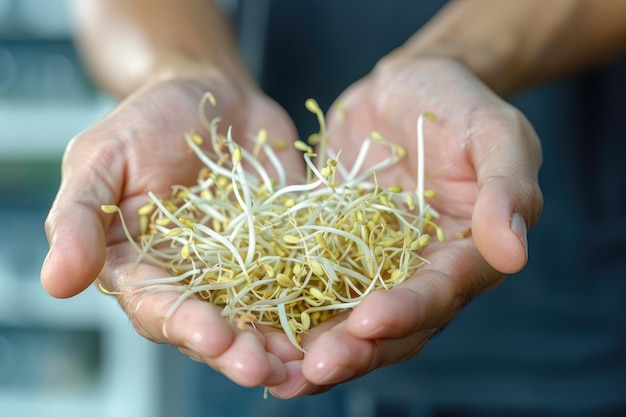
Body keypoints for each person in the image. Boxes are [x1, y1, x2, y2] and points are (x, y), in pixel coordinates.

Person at [40, 0, 626, 415]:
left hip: (561, 347)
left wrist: (459, 57)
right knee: (256, 363)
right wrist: (187, 71)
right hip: (249, 361)